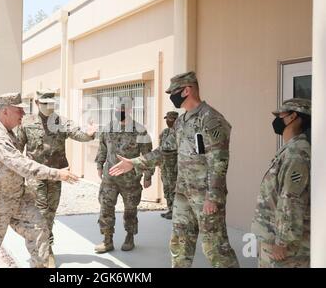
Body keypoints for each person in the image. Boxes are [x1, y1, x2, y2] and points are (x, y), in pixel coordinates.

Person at [109, 72, 239, 268]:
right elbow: (165, 151)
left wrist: (213, 196)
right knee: (179, 243)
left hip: (205, 195)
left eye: (174, 92)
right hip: (183, 193)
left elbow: (219, 160)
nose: (172, 97)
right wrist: (134, 162)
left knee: (215, 248)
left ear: (187, 90)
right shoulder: (181, 121)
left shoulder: (211, 119)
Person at [0, 92, 79, 268]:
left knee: (40, 230)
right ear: (5, 111)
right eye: (18, 110)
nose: (23, 114)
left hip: (17, 200)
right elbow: (22, 165)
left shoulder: (10, 134)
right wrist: (57, 174)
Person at [16, 89, 97, 267]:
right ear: (37, 103)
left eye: (52, 103)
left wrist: (90, 134)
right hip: (35, 175)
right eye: (45, 103)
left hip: (56, 174)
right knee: (41, 212)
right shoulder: (26, 122)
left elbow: (78, 133)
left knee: (50, 213)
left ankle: (45, 247)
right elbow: (17, 149)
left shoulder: (61, 122)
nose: (49, 107)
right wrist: (18, 176)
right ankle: (44, 252)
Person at [251, 98, 311, 268]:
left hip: (284, 248)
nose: (276, 119)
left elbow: (291, 200)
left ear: (292, 117)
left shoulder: (297, 154)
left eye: (280, 115)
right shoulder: (289, 150)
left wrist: (282, 241)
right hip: (272, 236)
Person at [94, 97, 155, 253]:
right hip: (110, 178)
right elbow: (102, 149)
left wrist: (148, 175)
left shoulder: (140, 130)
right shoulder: (107, 129)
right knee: (106, 208)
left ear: (129, 110)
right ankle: (107, 240)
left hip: (130, 179)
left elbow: (147, 155)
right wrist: (99, 165)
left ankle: (130, 237)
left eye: (122, 109)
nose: (118, 112)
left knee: (130, 209)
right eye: (116, 109)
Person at [159, 111, 179, 219]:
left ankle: (175, 211)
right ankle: (170, 209)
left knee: (173, 188)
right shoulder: (165, 132)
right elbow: (160, 148)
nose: (168, 121)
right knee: (166, 187)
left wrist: (178, 165)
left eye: (170, 119)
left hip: (174, 165)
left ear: (176, 120)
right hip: (164, 165)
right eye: (167, 119)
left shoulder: (179, 132)